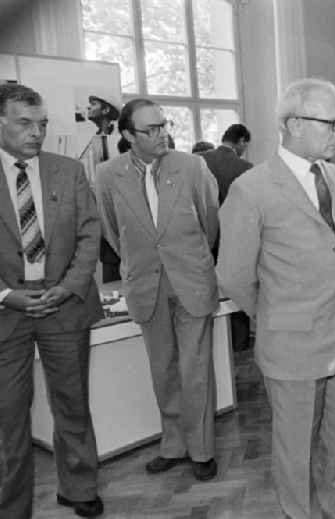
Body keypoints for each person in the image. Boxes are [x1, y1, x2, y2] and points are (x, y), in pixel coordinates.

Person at [217, 78, 335, 519]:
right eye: (332, 123)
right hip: (291, 342)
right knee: (295, 445)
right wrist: (276, 315)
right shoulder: (253, 188)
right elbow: (234, 274)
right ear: (295, 124)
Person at [95, 98, 220, 481]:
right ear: (129, 135)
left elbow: (210, 221)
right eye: (151, 129)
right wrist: (142, 260)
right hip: (146, 284)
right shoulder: (106, 175)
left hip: (191, 280)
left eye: (164, 125)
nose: (162, 134)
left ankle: (201, 450)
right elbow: (113, 233)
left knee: (194, 368)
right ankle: (173, 444)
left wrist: (192, 258)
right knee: (162, 369)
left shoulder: (192, 166)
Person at [0, 83, 104, 518]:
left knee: (72, 404)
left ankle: (79, 489)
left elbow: (89, 233)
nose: (37, 133)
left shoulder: (68, 170)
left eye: (42, 124)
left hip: (65, 304)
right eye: (25, 123)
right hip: (7, 313)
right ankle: (12, 506)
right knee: (8, 417)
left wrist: (67, 286)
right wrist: (8, 296)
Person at [199, 123, 253, 351]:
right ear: (241, 141)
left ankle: (215, 344)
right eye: (245, 145)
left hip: (202, 237)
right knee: (236, 288)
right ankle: (239, 343)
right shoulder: (245, 167)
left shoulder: (198, 160)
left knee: (205, 289)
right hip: (233, 237)